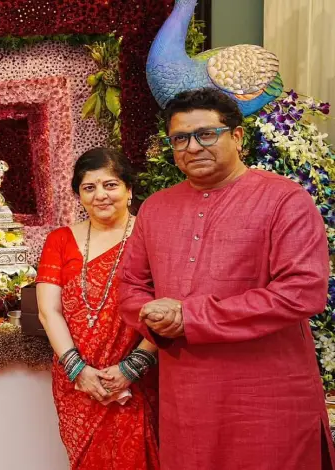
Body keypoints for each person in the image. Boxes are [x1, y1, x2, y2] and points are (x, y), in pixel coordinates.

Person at [119, 87, 334, 469]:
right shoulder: (155, 208)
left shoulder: (285, 200)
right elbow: (132, 288)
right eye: (180, 138)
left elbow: (302, 292)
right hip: (187, 399)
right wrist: (153, 316)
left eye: (206, 134)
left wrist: (191, 317)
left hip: (268, 396)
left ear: (236, 136)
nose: (193, 146)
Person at [36, 147, 160, 469]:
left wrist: (131, 368)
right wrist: (78, 369)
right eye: (89, 187)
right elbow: (49, 311)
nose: (100, 195)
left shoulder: (152, 238)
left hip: (137, 379)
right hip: (76, 382)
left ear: (129, 190)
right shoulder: (60, 240)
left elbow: (167, 307)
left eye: (110, 185)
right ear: (79, 194)